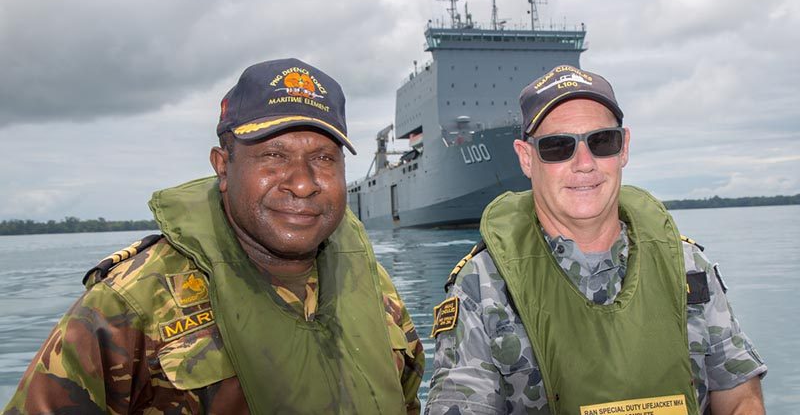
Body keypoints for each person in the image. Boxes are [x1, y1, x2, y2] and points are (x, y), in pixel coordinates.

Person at [4, 58, 424, 414]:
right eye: (273, 156)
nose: (302, 183)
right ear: (223, 167)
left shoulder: (374, 289)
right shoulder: (132, 304)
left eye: (323, 158)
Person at [426, 65, 766, 414]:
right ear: (527, 158)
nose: (584, 163)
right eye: (558, 147)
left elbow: (740, 396)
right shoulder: (483, 286)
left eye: (602, 141)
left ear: (624, 148)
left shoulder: (687, 266)